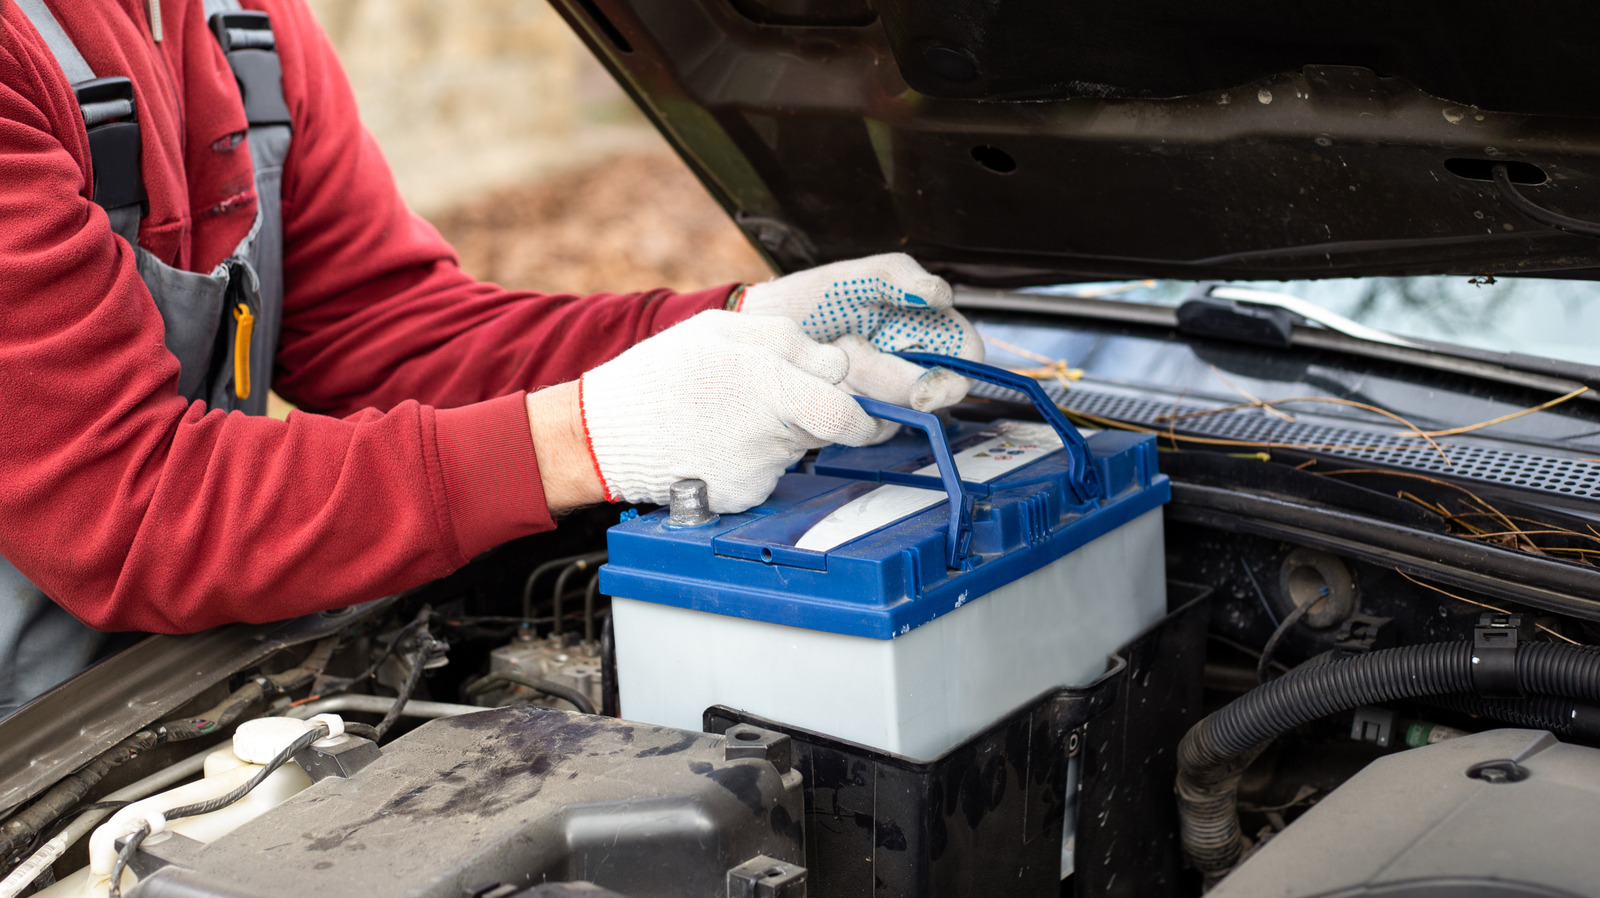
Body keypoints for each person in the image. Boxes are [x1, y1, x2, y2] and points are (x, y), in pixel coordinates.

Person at [0, 0, 982, 713]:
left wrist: (741, 326)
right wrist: (584, 439)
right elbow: (128, 503)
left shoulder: (240, 22)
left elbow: (386, 325)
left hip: (172, 677)